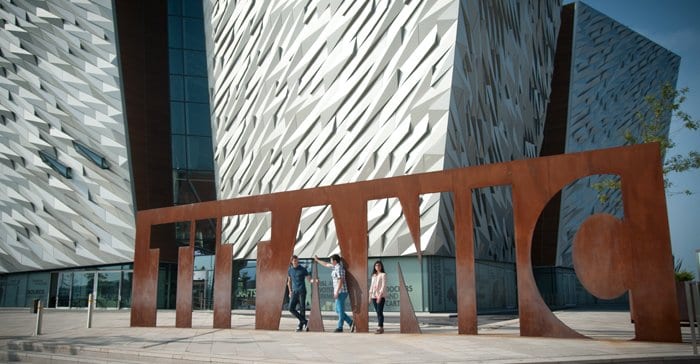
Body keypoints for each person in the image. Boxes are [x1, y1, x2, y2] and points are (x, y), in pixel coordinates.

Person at [314, 254, 354, 332]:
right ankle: (350, 322)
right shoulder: (334, 267)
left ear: (335, 261)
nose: (330, 261)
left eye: (331, 260)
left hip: (341, 291)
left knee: (340, 310)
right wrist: (317, 260)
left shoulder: (339, 268)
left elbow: (341, 280)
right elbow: (326, 264)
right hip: (339, 291)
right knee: (337, 310)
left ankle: (340, 327)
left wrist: (337, 291)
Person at [287, 255, 312, 332]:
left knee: (302, 309)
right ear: (292, 262)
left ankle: (300, 326)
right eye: (294, 261)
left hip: (302, 291)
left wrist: (314, 281)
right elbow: (289, 282)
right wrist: (290, 291)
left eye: (297, 260)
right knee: (290, 308)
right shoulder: (290, 270)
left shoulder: (303, 269)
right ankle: (305, 321)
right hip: (294, 292)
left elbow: (309, 279)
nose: (296, 262)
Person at [368, 260, 386, 334]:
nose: (377, 267)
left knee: (379, 311)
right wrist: (370, 296)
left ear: (381, 267)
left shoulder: (383, 274)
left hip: (380, 296)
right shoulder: (374, 275)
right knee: (377, 312)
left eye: (378, 265)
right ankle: (380, 326)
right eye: (376, 265)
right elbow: (371, 286)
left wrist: (379, 296)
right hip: (373, 296)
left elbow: (383, 286)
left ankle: (380, 327)